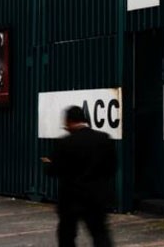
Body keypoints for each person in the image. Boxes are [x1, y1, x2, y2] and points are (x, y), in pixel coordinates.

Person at [42, 105, 117, 247]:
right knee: (100, 234)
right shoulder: (103, 139)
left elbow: (53, 170)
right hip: (96, 197)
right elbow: (111, 168)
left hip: (71, 199)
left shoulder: (64, 143)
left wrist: (49, 163)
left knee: (67, 236)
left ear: (69, 121)